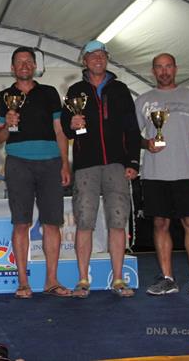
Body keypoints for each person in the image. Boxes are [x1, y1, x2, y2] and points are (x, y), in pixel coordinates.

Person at [60, 40, 140, 298]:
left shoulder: (120, 89)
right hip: (86, 166)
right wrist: (72, 121)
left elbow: (132, 128)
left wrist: (133, 162)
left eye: (102, 55)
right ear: (84, 60)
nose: (97, 59)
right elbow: (64, 125)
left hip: (117, 165)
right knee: (85, 222)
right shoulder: (75, 90)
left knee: (118, 222)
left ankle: (118, 279)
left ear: (107, 59)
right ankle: (83, 279)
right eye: (92, 56)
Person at [0, 47, 72, 299]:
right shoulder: (3, 97)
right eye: (19, 62)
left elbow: (59, 131)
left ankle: (51, 280)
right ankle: (23, 283)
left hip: (50, 163)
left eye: (29, 61)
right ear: (12, 68)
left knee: (52, 223)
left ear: (35, 66)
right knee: (21, 224)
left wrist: (65, 163)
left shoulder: (49, 93)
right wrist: (8, 123)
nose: (24, 65)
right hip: (18, 163)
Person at [135, 53, 189, 300]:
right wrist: (146, 143)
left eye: (168, 66)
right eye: (159, 67)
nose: (164, 71)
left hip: (186, 173)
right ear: (153, 71)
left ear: (175, 69)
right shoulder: (143, 101)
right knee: (160, 224)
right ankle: (167, 278)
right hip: (154, 174)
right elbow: (131, 136)